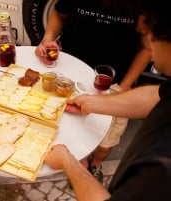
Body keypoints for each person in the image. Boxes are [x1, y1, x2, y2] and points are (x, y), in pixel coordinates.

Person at [45, 0, 171, 199]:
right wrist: (92, 103)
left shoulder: (161, 168)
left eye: (148, 33)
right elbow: (156, 95)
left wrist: (68, 162)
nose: (146, 42)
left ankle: (90, 167)